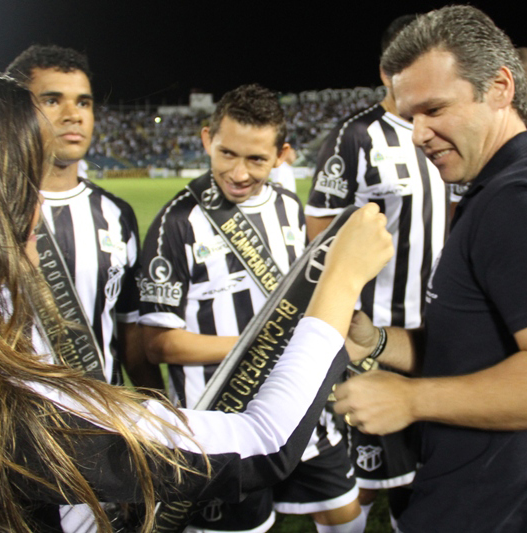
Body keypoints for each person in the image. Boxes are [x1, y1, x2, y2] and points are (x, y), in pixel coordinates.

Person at [0, 56, 392, 533]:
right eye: (24, 187)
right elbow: (263, 440)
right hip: (217, 415)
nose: (38, 213)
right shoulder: (6, 405)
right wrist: (341, 277)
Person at [332, 6, 527, 532]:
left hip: (517, 513)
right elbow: (475, 349)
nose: (419, 134)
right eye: (411, 114)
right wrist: (377, 343)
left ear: (501, 88)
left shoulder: (523, 198)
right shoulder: (493, 189)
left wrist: (412, 399)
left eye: (435, 109)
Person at [138, 84, 364, 533]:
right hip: (223, 420)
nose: (239, 173)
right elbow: (158, 343)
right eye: (227, 154)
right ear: (207, 140)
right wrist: (261, 345)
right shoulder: (175, 224)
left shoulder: (286, 206)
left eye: (256, 160)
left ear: (280, 154)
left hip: (298, 404)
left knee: (345, 517)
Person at [305, 13, 448, 528]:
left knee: (424, 479)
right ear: (388, 70)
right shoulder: (356, 136)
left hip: (432, 336)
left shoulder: (445, 130)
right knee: (363, 485)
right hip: (373, 340)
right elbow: (319, 236)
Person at [6, 45, 163, 391]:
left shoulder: (117, 215)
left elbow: (129, 335)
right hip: (14, 432)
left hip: (99, 428)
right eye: (51, 100)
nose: (72, 114)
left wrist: (163, 412)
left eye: (83, 102)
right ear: (15, 112)